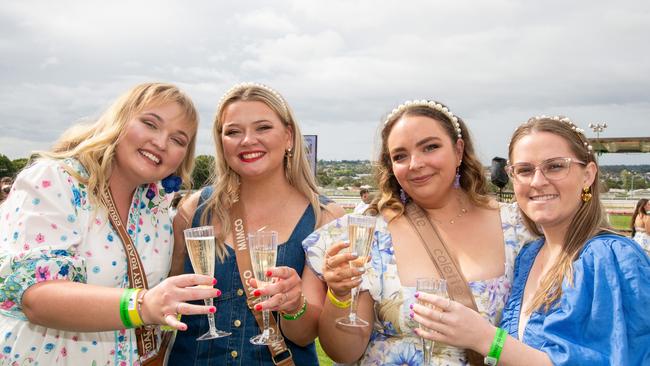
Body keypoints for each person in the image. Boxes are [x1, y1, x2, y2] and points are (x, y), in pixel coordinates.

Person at [0, 82, 219, 365]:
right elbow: (37, 298)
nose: (161, 142)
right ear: (119, 120)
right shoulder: (55, 180)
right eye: (150, 124)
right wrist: (143, 305)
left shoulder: (155, 207)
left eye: (178, 140)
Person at [303, 100, 534, 364]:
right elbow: (344, 353)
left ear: (458, 151)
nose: (415, 163)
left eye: (430, 147)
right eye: (400, 156)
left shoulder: (518, 227)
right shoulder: (369, 235)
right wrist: (340, 296)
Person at [412, 116, 650, 365]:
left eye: (555, 166)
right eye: (524, 170)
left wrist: (485, 338)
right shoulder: (529, 255)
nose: (538, 181)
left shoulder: (609, 257)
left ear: (588, 175)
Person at [168, 82, 344, 365]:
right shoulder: (193, 211)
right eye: (233, 132)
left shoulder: (324, 217)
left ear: (288, 137)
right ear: (221, 142)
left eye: (263, 128)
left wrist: (294, 305)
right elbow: (165, 297)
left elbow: (304, 335)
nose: (247, 140)